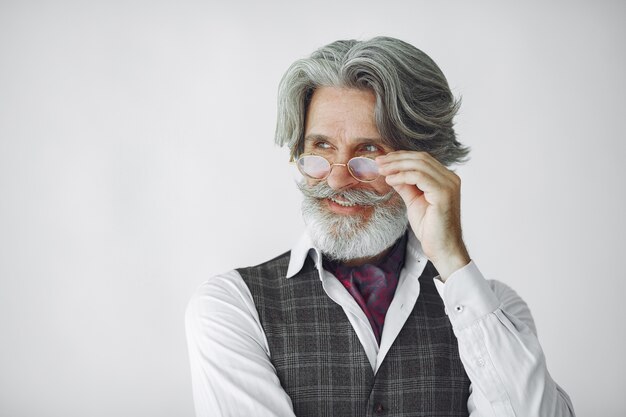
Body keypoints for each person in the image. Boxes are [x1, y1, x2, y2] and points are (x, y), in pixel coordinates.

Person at [185, 36, 576, 417]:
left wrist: (453, 261)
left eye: (369, 151)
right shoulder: (233, 307)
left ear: (425, 163)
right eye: (320, 147)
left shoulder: (493, 310)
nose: (337, 182)